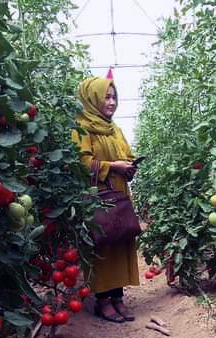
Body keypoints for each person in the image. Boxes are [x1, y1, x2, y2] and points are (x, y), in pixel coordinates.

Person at [71, 77, 140, 323]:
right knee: (103, 244)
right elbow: (81, 163)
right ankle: (102, 301)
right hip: (97, 197)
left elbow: (127, 155)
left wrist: (130, 166)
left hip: (119, 193)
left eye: (114, 97)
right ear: (92, 98)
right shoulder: (82, 127)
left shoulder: (115, 129)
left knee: (120, 242)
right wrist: (112, 167)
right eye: (106, 97)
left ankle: (118, 297)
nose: (111, 103)